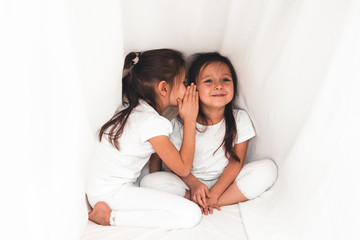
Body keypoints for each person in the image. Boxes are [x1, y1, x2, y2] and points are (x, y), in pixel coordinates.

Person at [140, 52, 278, 215]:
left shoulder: (239, 119)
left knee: (268, 169)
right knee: (149, 181)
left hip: (226, 183)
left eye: (226, 79)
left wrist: (215, 194)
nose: (218, 85)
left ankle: (211, 202)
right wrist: (195, 185)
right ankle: (199, 199)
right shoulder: (177, 124)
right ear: (193, 88)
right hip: (190, 184)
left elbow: (236, 163)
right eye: (209, 81)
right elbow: (176, 166)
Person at [86, 49, 201, 228]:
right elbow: (184, 168)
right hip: (110, 194)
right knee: (191, 214)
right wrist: (190, 119)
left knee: (155, 179)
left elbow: (155, 166)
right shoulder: (151, 122)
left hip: (108, 187)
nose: (187, 88)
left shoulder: (136, 109)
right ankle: (110, 218)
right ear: (163, 88)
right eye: (184, 82)